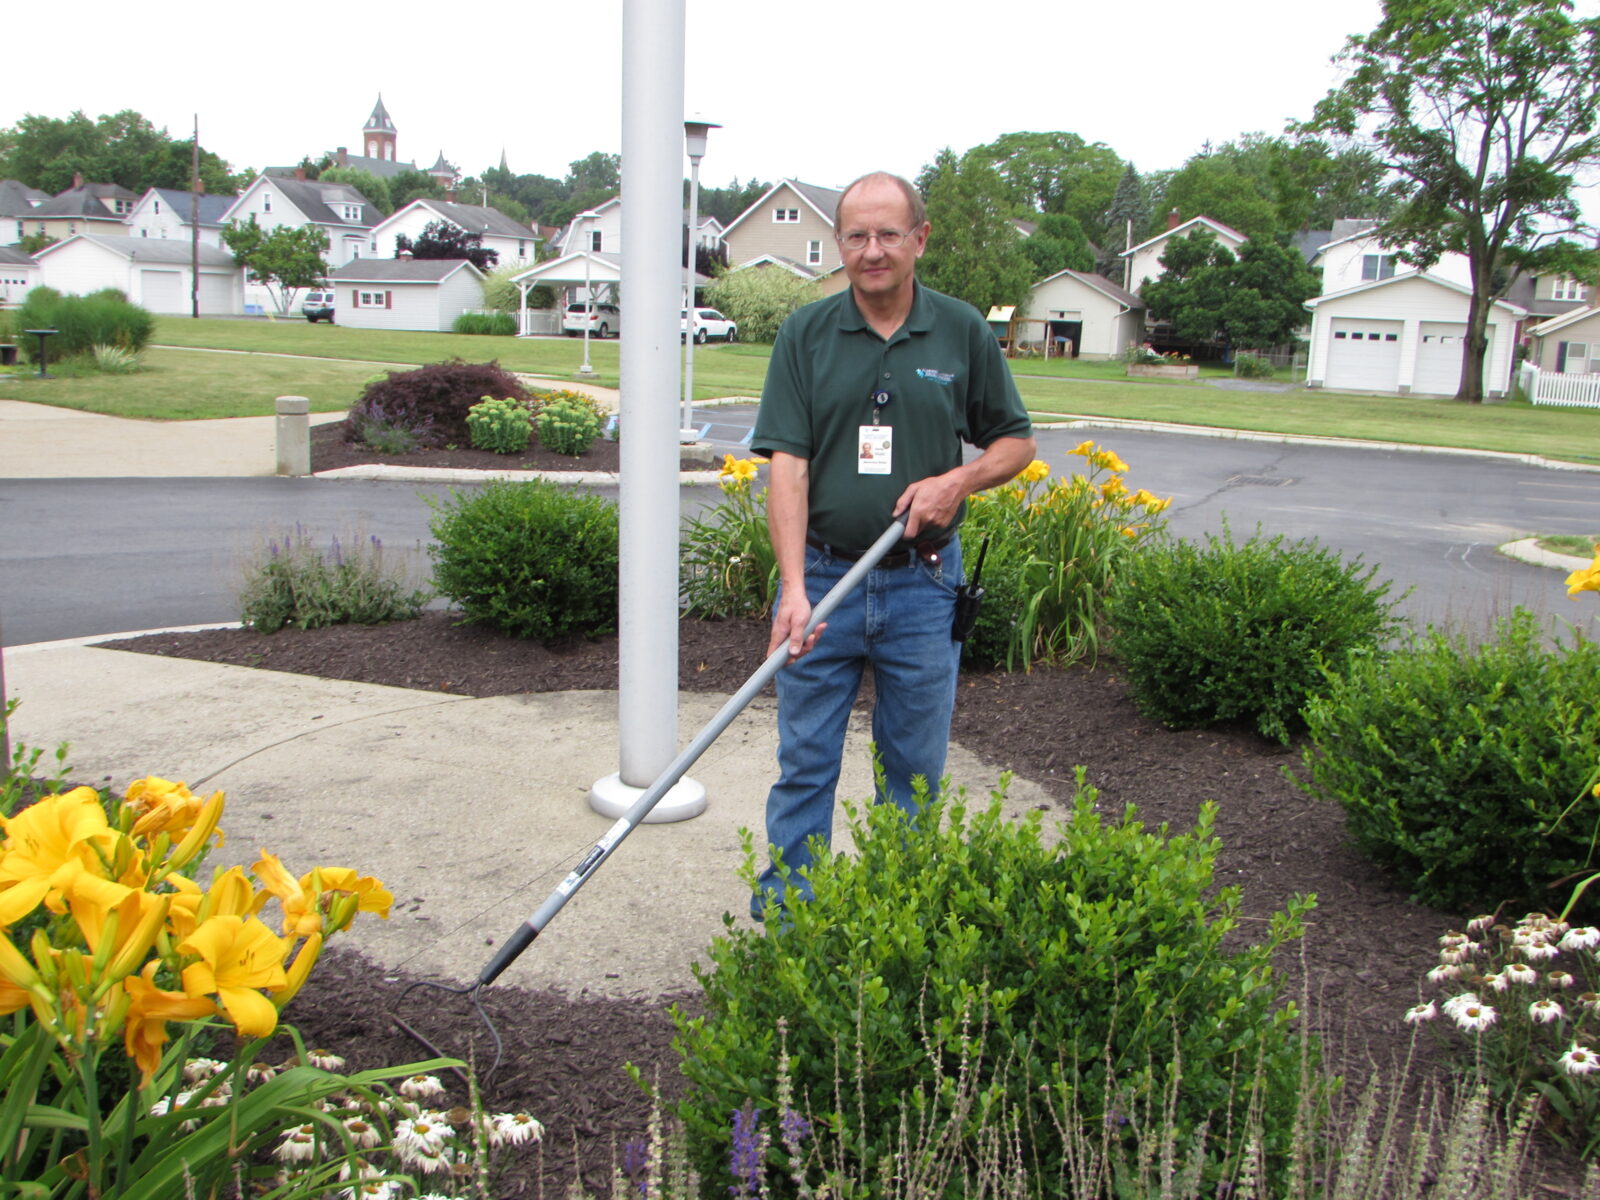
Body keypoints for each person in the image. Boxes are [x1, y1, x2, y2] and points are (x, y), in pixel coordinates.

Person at [748, 171, 1036, 918]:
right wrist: (793, 589)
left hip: (924, 585)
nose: (871, 251)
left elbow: (1015, 443)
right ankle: (790, 922)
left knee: (912, 769)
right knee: (805, 761)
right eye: (855, 235)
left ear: (919, 239)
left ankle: (896, 919)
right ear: (839, 243)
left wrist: (959, 481)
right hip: (823, 581)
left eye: (887, 234)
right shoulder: (805, 334)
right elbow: (789, 467)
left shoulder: (960, 329)